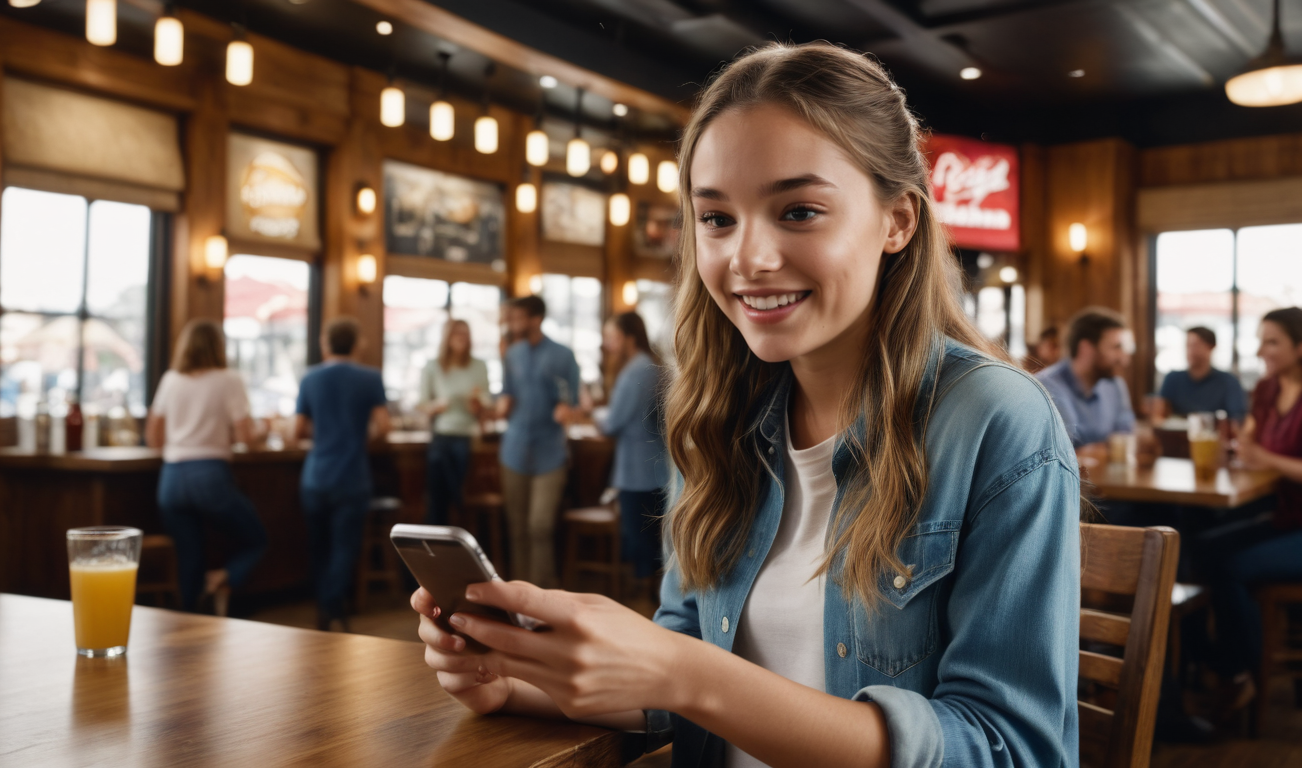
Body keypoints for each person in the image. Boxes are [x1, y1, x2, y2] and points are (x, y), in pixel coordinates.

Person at [410, 43, 1081, 768]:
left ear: (898, 222)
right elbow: (682, 673)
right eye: (717, 219)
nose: (747, 259)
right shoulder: (715, 414)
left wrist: (688, 674)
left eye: (798, 211)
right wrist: (517, 680)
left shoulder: (997, 420)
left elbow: (1012, 751)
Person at [1205, 307, 1302, 708]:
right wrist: (1233, 451)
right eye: (1261, 340)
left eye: (1272, 341)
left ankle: (1243, 671)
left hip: (1299, 524)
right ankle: (1210, 664)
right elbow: (1248, 444)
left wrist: (1266, 458)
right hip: (1284, 515)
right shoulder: (1267, 388)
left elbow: (1263, 455)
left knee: (1232, 565)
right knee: (1202, 546)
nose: (1262, 349)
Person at [146, 319, 268, 616]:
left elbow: (153, 438)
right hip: (210, 477)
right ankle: (222, 577)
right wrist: (260, 431)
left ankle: (189, 621)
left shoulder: (171, 379)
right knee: (257, 540)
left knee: (189, 556)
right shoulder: (229, 379)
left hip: (171, 480)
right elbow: (245, 438)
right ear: (219, 346)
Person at [293, 316, 391, 630]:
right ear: (358, 344)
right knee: (345, 546)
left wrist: (323, 436)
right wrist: (361, 438)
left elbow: (296, 431)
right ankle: (334, 610)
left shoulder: (310, 379)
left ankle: (326, 606)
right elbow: (384, 427)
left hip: (316, 474)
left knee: (319, 546)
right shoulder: (370, 378)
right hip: (351, 474)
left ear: (325, 343)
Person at [495, 295, 579, 588]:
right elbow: (506, 396)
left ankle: (542, 594)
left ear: (536, 319)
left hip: (550, 453)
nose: (512, 323)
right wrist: (495, 406)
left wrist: (568, 410)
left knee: (540, 526)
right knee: (517, 529)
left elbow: (576, 402)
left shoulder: (563, 355)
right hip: (514, 451)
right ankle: (519, 597)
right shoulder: (511, 354)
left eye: (518, 317)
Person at [593, 312, 669, 588]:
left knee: (642, 545)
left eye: (612, 338)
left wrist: (593, 415)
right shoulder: (650, 367)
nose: (609, 345)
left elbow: (613, 422)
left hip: (639, 471)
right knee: (652, 543)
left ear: (629, 338)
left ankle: (645, 609)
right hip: (654, 468)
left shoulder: (636, 371)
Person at [420, 319, 492, 525]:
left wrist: (477, 405)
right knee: (438, 497)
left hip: (469, 436)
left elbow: (487, 403)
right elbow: (422, 404)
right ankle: (437, 541)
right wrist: (437, 406)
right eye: (457, 333)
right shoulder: (433, 366)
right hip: (442, 434)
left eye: (465, 333)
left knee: (463, 497)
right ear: (447, 337)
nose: (462, 338)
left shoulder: (479, 366)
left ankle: (462, 540)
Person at [1036, 307, 1136, 451]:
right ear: (1086, 349)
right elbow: (1066, 451)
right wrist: (1107, 448)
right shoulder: (1046, 386)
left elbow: (1125, 439)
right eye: (1116, 347)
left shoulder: (1116, 386)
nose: (1124, 359)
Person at [1158, 326, 1247, 420]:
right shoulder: (1173, 379)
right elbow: (1159, 414)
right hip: (1177, 434)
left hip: (1213, 433)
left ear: (1211, 347)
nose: (1190, 351)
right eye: (1188, 345)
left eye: (1195, 345)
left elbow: (1238, 419)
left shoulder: (1228, 382)